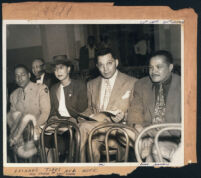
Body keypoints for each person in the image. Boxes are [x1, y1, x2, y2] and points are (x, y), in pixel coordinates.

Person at [79, 48, 138, 162]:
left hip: (118, 133)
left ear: (116, 62)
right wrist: (82, 116)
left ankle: (80, 168)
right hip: (96, 130)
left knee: (83, 129)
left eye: (109, 63)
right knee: (90, 141)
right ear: (97, 66)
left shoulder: (132, 82)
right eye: (101, 65)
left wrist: (124, 116)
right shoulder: (91, 84)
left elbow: (137, 112)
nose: (105, 69)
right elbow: (90, 108)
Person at [127, 50, 181, 162]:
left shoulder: (184, 85)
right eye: (151, 67)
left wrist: (153, 136)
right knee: (128, 134)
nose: (153, 71)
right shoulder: (141, 84)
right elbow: (134, 113)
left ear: (170, 67)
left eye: (158, 67)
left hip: (173, 136)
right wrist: (143, 133)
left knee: (153, 152)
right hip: (146, 131)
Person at [44, 55, 88, 162]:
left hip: (75, 124)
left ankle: (66, 162)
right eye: (55, 69)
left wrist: (72, 119)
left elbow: (83, 110)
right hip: (59, 123)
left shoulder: (79, 85)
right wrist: (53, 117)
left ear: (68, 69)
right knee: (44, 138)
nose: (58, 71)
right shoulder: (54, 88)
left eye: (61, 68)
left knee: (64, 141)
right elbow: (53, 110)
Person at [7, 64, 50, 161]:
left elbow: (45, 112)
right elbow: (12, 117)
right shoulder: (13, 95)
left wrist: (36, 128)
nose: (19, 78)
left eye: (22, 75)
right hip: (21, 135)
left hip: (38, 129)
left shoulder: (41, 88)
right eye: (17, 75)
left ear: (29, 75)